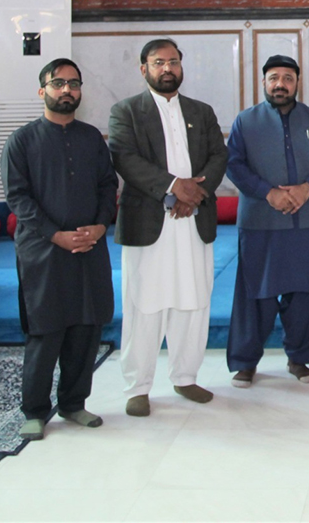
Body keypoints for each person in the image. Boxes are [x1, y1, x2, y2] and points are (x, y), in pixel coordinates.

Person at [109, 38, 228, 417]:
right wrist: (175, 188)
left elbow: (218, 155)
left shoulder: (201, 111)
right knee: (144, 303)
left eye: (173, 62)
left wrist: (194, 193)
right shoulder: (126, 111)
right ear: (143, 68)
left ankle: (186, 376)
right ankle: (138, 386)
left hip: (193, 220)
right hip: (149, 220)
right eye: (158, 62)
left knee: (193, 300)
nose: (167, 69)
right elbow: (125, 159)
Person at [2, 59, 117, 441]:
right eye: (58, 83)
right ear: (43, 91)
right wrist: (56, 235)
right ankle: (34, 410)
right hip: (43, 252)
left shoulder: (91, 139)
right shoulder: (21, 141)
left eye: (73, 84)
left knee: (86, 327)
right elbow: (19, 199)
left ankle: (73, 404)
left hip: (89, 247)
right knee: (45, 329)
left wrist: (100, 226)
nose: (66, 90)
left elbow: (106, 187)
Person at [225, 55, 309, 387]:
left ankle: (299, 358)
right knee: (255, 294)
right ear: (264, 82)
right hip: (261, 220)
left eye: (288, 78)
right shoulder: (245, 121)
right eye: (274, 78)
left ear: (297, 83)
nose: (281, 84)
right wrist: (268, 193)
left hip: (306, 221)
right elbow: (233, 164)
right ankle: (246, 362)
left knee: (306, 293)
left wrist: (308, 188)